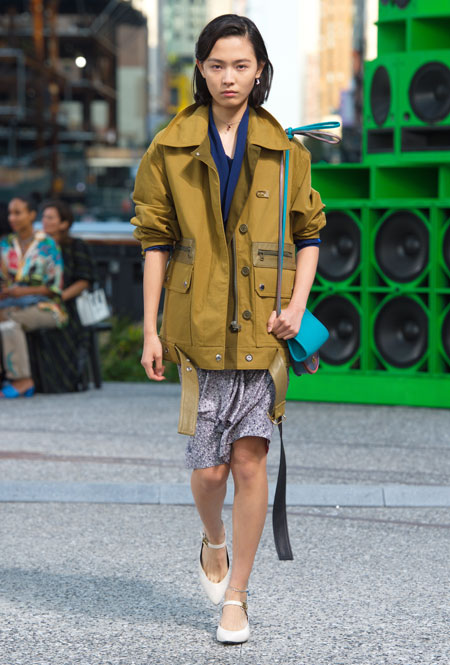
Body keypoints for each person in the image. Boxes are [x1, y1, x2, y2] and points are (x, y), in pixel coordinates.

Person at [131, 14, 326, 644]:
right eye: (217, 65)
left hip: (265, 330)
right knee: (210, 471)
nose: (229, 77)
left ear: (260, 70)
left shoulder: (287, 150)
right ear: (201, 68)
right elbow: (155, 242)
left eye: (241, 65)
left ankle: (237, 595)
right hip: (198, 328)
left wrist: (297, 305)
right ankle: (212, 539)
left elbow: (309, 235)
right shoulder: (169, 147)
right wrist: (150, 330)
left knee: (249, 459)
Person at [0, 195, 66, 397]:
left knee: (8, 320)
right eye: (10, 213)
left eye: (17, 213)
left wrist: (22, 292)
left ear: (31, 215)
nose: (12, 218)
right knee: (6, 317)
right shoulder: (5, 244)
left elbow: (55, 287)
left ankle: (23, 380)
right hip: (11, 304)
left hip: (47, 307)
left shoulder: (47, 245)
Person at [40, 200, 96, 392]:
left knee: (61, 328)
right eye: (43, 217)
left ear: (64, 223)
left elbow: (84, 281)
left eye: (50, 217)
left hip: (72, 304)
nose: (45, 221)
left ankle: (61, 382)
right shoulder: (40, 248)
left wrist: (59, 298)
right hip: (43, 301)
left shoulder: (76, 246)